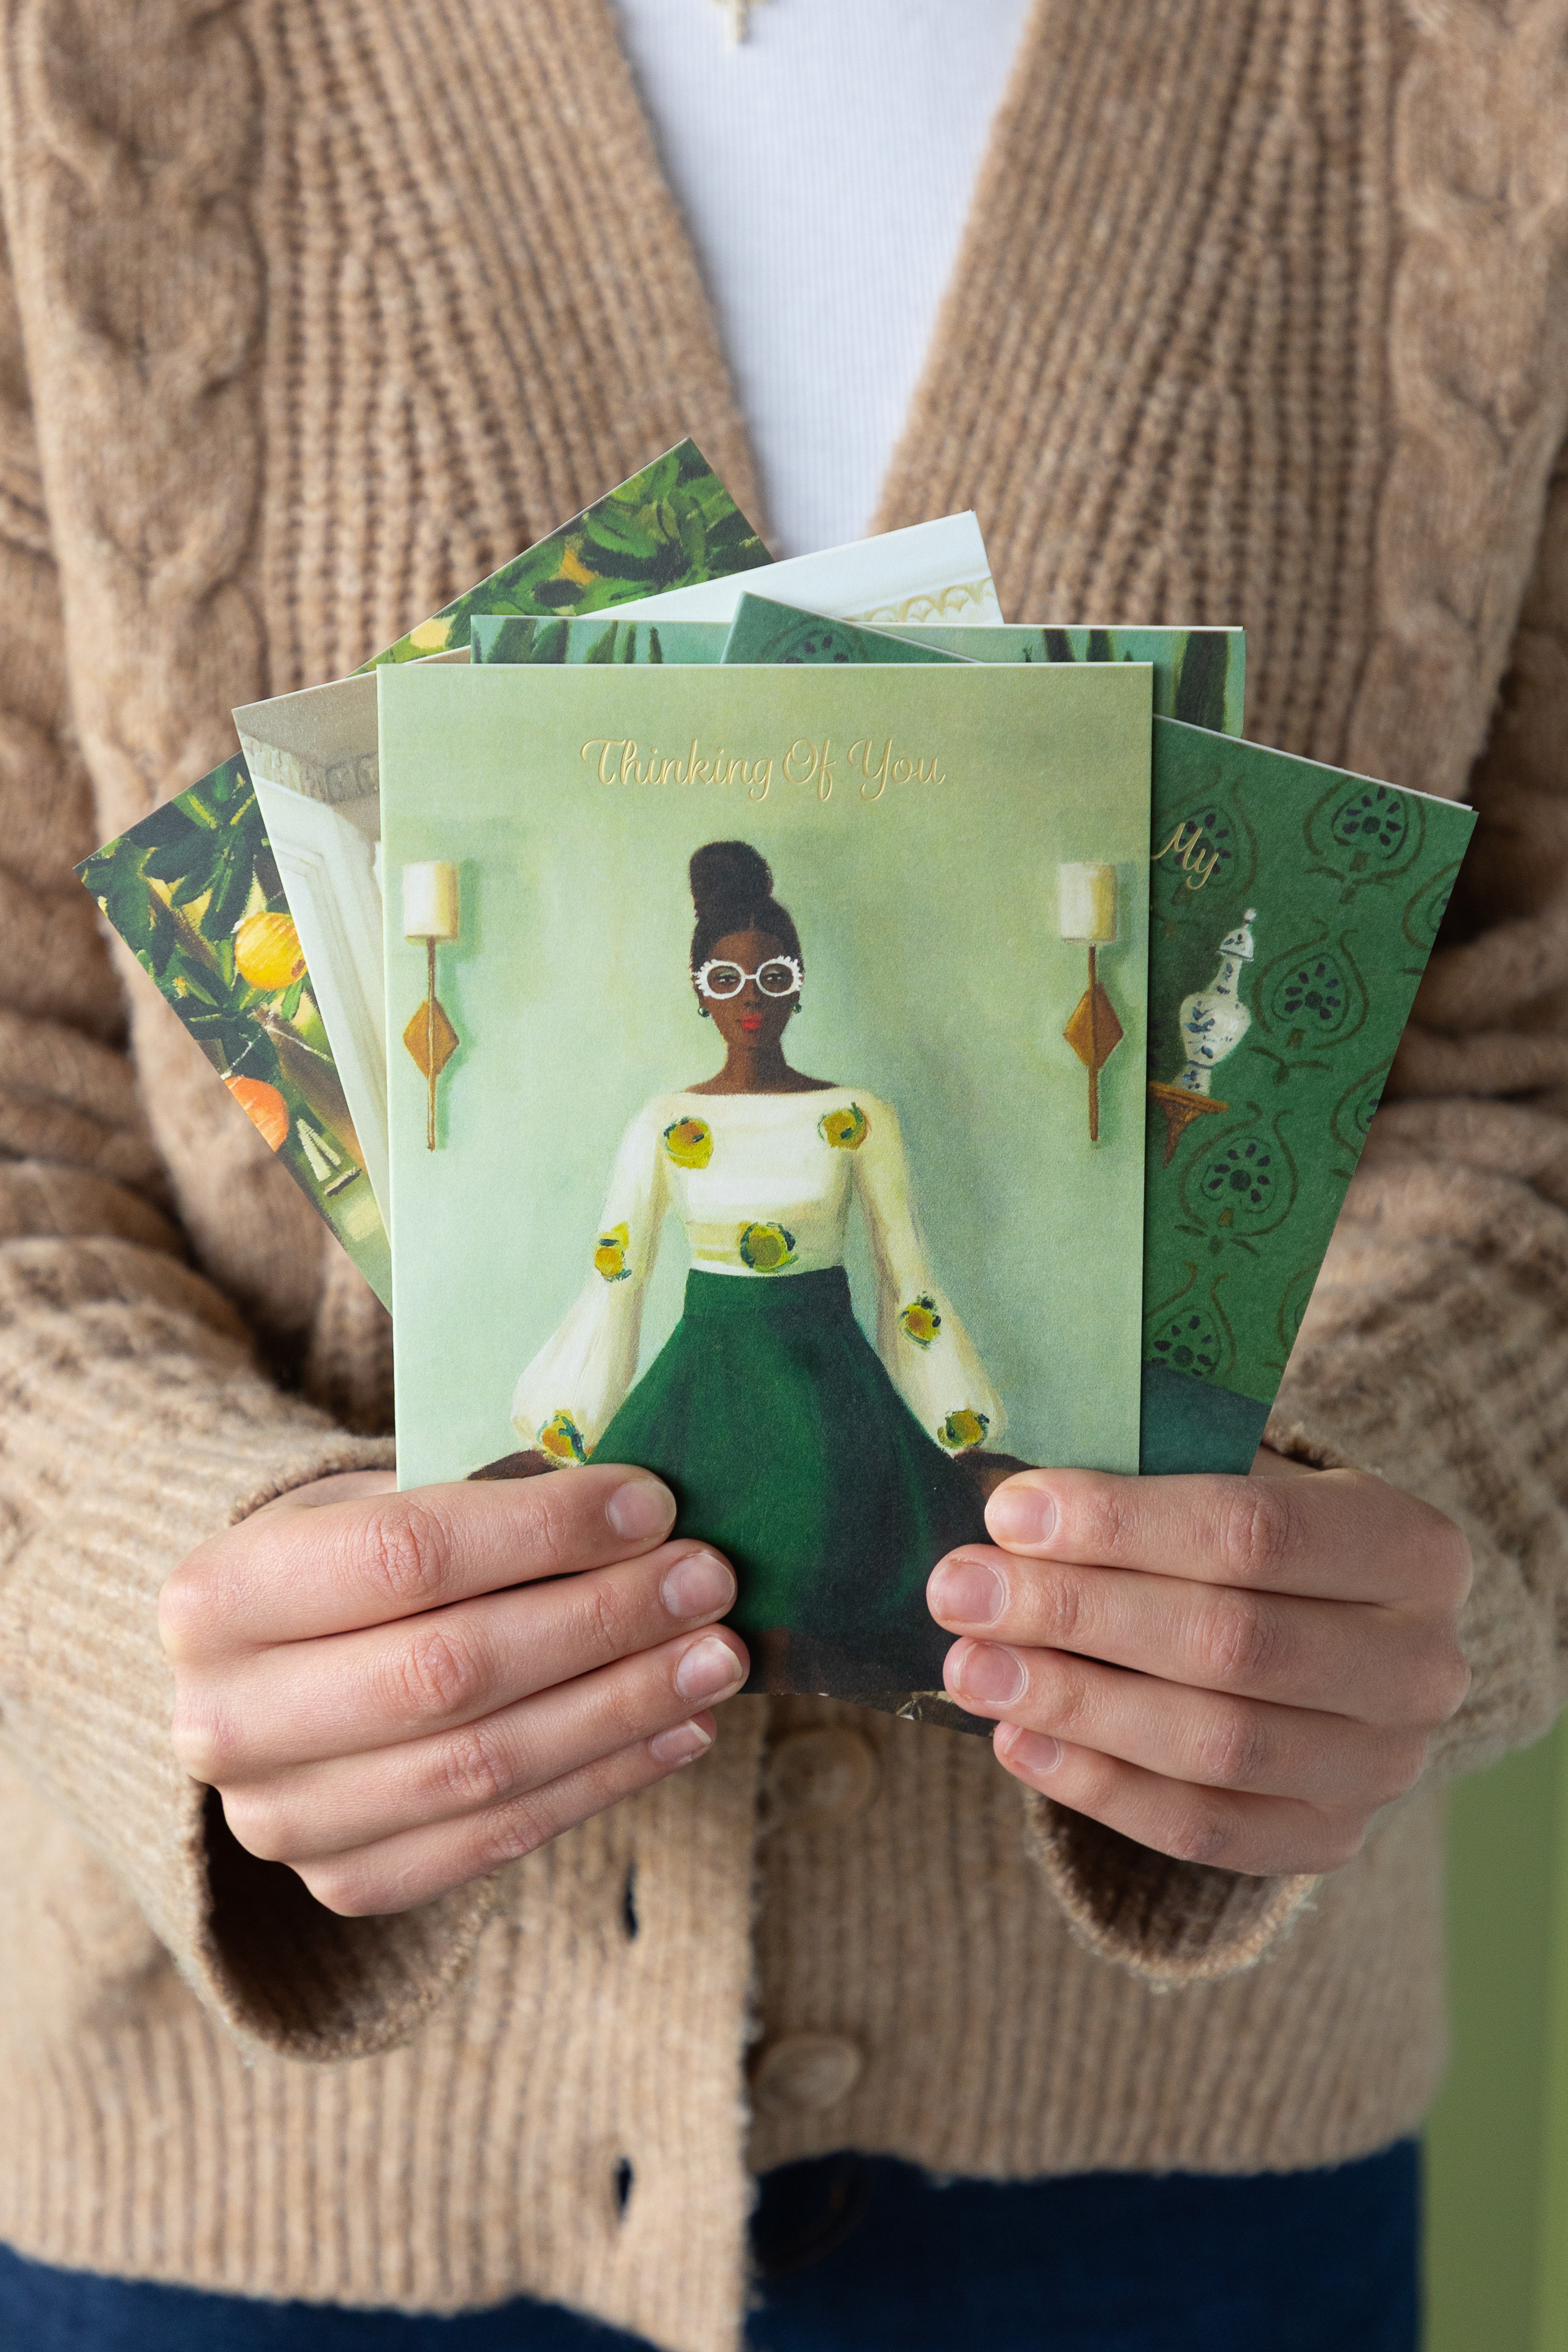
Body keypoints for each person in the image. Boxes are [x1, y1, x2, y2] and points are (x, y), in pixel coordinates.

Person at [0, 3, 1560, 2349]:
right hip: (242, 2180)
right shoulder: (88, 66)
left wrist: (1358, 1506)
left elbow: (1524, 1058)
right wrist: (161, 1563)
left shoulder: (1477, 65)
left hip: (1170, 2165)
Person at [509, 838, 1007, 1698]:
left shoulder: (856, 1116)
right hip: (704, 1381)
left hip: (831, 1380)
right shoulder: (666, 1123)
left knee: (850, 1556)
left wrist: (951, 1414)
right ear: (698, 990)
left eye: (773, 978)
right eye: (728, 980)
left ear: (800, 984)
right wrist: (570, 1417)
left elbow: (906, 1274)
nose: (751, 1002)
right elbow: (616, 1271)